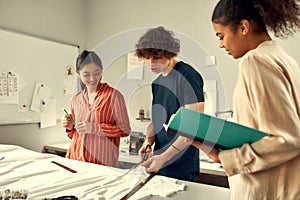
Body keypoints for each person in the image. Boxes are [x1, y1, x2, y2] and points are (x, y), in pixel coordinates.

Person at [192, 0, 300, 199]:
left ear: (243, 27)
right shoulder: (284, 58)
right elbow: (266, 124)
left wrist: (225, 158)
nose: (221, 44)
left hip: (267, 189)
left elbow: (286, 140)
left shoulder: (255, 61)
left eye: (221, 36)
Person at [136, 26, 205, 182]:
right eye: (147, 58)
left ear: (168, 52)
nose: (151, 63)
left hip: (181, 165)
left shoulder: (187, 76)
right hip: (159, 163)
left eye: (156, 57)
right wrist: (148, 141)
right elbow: (157, 121)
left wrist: (164, 157)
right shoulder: (157, 83)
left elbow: (194, 126)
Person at [61, 50, 131, 167]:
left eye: (96, 73)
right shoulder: (75, 100)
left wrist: (94, 128)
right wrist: (69, 127)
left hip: (102, 164)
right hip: (75, 160)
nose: (92, 78)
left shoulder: (114, 96)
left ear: (101, 71)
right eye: (86, 74)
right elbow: (74, 135)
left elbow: (125, 130)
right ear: (78, 74)